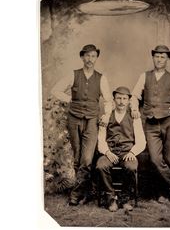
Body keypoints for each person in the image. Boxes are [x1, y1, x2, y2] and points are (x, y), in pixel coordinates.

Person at [131, 45, 170, 203]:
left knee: (168, 159)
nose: (159, 59)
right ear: (153, 58)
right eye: (157, 56)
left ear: (167, 59)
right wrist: (134, 108)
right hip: (151, 124)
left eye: (162, 57)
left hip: (169, 123)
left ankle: (166, 193)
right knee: (155, 159)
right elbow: (134, 96)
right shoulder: (144, 76)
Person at [51, 44, 112, 205]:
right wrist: (69, 99)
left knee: (86, 159)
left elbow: (108, 101)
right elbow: (55, 90)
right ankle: (86, 191)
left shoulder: (101, 78)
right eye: (87, 55)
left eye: (93, 56)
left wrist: (105, 116)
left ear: (96, 58)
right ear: (82, 57)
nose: (89, 59)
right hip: (74, 119)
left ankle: (75, 193)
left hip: (92, 120)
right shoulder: (73, 75)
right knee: (78, 158)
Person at [96, 86, 146, 212]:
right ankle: (111, 198)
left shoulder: (134, 117)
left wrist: (132, 152)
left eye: (124, 98)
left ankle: (125, 198)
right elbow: (101, 139)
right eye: (118, 98)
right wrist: (107, 152)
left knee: (131, 167)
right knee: (101, 166)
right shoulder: (106, 117)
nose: (121, 101)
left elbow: (141, 140)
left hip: (127, 152)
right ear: (114, 100)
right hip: (110, 151)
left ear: (129, 101)